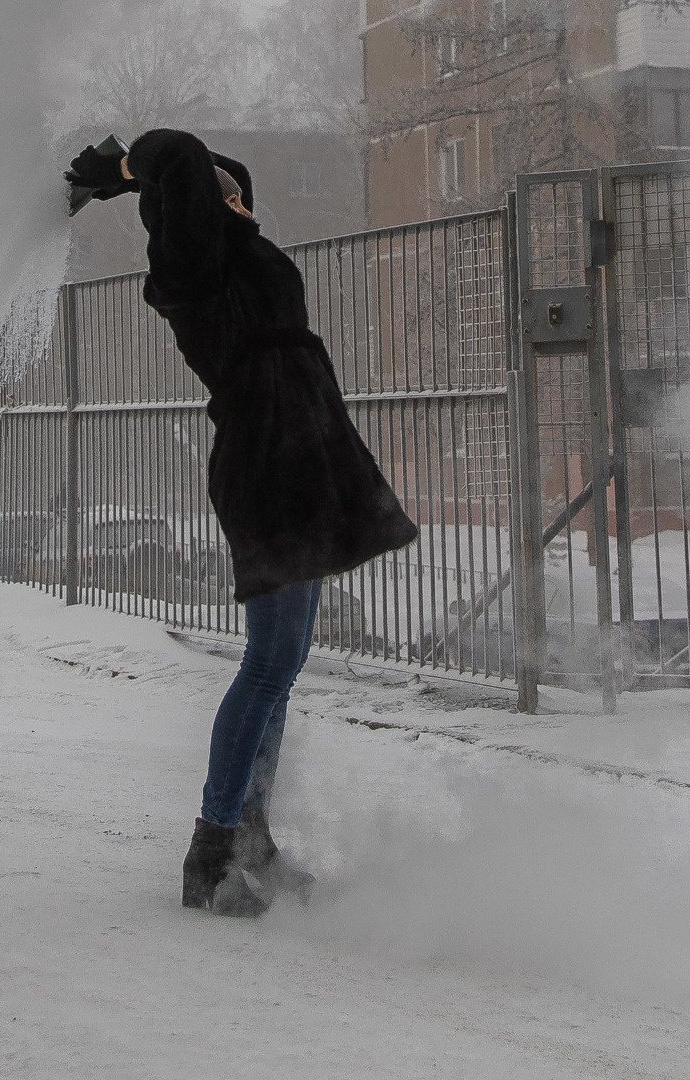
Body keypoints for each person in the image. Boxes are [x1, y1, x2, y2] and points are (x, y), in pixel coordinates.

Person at [65, 127, 419, 917]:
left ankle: (252, 837)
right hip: (267, 464)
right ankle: (214, 847)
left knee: (285, 663)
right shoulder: (192, 265)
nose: (237, 198)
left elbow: (214, 171)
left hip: (306, 457)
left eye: (237, 192)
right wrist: (124, 173)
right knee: (267, 663)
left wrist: (195, 182)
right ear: (189, 207)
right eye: (220, 193)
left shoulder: (235, 250)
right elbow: (179, 151)